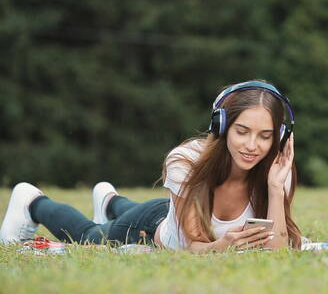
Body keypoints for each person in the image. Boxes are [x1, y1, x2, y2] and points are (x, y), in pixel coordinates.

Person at [0, 80, 301, 252]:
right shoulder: (186, 162)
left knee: (127, 211)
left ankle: (110, 201)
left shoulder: (276, 172)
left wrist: (276, 189)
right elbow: (192, 248)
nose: (253, 146)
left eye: (265, 136)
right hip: (152, 227)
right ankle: (32, 201)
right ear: (221, 126)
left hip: (170, 210)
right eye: (242, 131)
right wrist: (223, 245)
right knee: (91, 236)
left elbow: (274, 252)